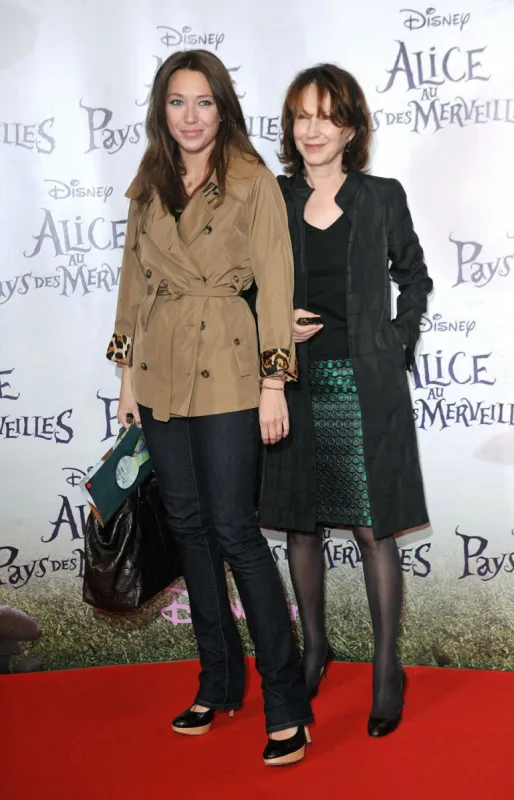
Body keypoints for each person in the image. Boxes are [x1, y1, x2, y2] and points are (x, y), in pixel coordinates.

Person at [107, 49, 313, 766]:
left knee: (234, 533)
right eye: (176, 102)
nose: (189, 117)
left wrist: (272, 383)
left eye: (202, 102)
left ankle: (287, 701)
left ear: (222, 108)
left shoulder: (252, 182)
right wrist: (127, 376)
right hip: (160, 372)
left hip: (228, 366)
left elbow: (278, 288)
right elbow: (133, 281)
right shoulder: (148, 180)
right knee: (189, 528)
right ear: (161, 110)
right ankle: (217, 680)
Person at [260, 64, 433, 738]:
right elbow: (247, 284)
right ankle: (315, 651)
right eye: (301, 115)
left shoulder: (381, 195)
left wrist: (394, 341)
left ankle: (388, 668)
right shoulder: (272, 198)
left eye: (326, 116)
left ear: (351, 127)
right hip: (297, 381)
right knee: (301, 527)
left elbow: (413, 277)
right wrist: (277, 324)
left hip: (363, 385)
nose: (311, 128)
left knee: (371, 530)